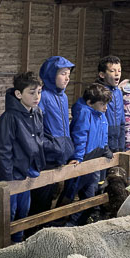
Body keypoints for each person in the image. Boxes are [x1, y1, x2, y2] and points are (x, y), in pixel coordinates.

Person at [0, 72, 45, 243]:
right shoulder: (10, 117)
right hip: (12, 173)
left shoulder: (37, 113)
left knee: (24, 209)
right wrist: (7, 179)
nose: (37, 96)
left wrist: (38, 165)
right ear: (18, 94)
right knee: (10, 210)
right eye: (32, 92)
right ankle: (5, 245)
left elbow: (39, 141)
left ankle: (17, 241)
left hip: (27, 171)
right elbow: (4, 150)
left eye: (39, 92)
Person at [61, 83, 113, 225]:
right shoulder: (84, 113)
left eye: (106, 104)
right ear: (90, 103)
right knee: (71, 193)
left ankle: (76, 223)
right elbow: (80, 136)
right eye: (102, 104)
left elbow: (104, 133)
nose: (105, 107)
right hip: (84, 159)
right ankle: (61, 221)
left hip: (95, 159)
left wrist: (105, 148)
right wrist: (78, 156)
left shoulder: (101, 114)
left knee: (90, 194)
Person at [32, 56, 76, 217]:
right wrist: (49, 146)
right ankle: (32, 232)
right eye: (63, 73)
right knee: (40, 198)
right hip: (47, 157)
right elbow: (36, 129)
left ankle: (44, 227)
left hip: (60, 155)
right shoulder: (41, 96)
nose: (67, 78)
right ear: (51, 74)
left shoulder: (63, 97)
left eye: (69, 74)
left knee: (53, 195)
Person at [96, 55, 125, 153]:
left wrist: (122, 145)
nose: (117, 74)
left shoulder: (119, 93)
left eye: (119, 70)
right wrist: (103, 146)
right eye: (112, 71)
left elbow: (122, 121)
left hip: (116, 142)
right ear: (102, 74)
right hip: (102, 144)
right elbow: (96, 123)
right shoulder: (97, 92)